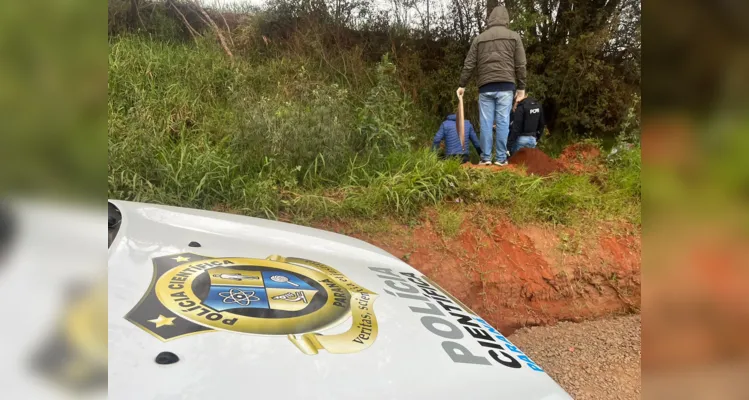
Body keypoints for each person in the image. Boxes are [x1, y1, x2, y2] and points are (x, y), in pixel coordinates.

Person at [456, 5, 526, 166]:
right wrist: (521, 88)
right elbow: (521, 65)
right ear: (506, 19)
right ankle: (501, 159)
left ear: (490, 19)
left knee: (486, 123)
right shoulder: (514, 37)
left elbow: (469, 64)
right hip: (506, 86)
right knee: (502, 122)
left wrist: (462, 84)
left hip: (485, 87)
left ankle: (485, 158)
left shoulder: (479, 39)